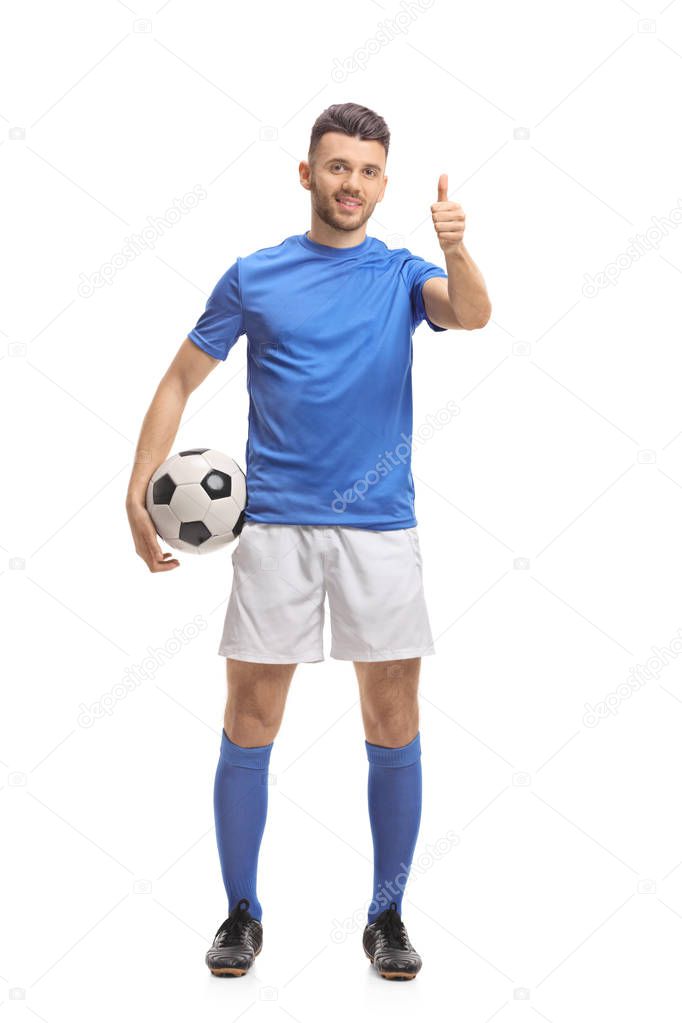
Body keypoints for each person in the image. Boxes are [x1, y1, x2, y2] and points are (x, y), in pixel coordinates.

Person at [126, 101, 491, 982]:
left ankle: (387, 912)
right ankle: (241, 911)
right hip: (276, 529)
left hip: (380, 530)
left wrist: (456, 246)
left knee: (393, 718)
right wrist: (139, 490)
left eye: (367, 171)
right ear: (307, 173)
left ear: (382, 183)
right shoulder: (256, 276)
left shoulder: (404, 275)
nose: (351, 184)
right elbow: (179, 378)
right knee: (251, 719)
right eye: (336, 166)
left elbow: (472, 314)